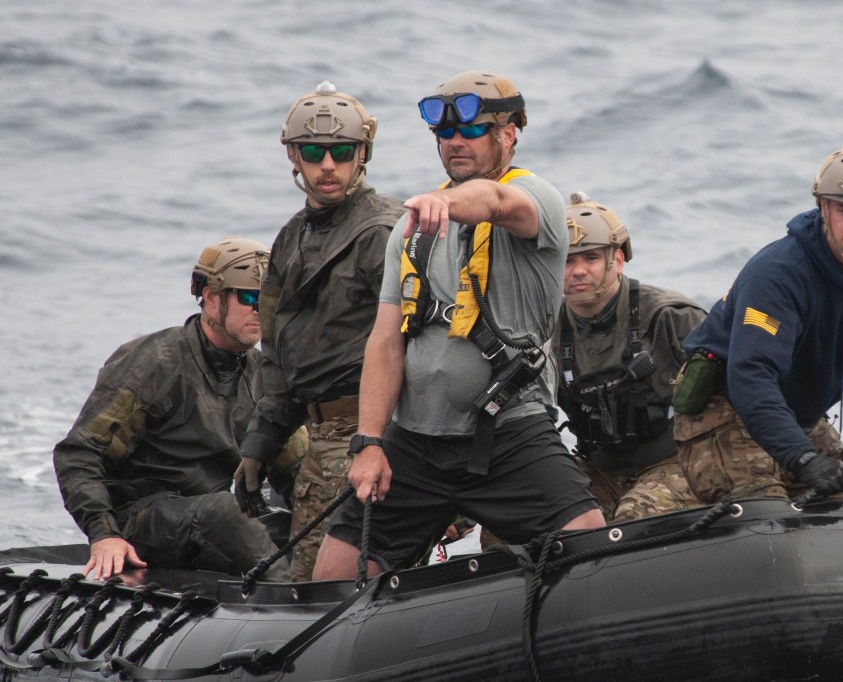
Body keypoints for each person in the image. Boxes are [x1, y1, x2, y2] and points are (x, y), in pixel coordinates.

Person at [313, 70, 605, 580]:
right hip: (415, 443)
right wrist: (369, 443)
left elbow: (494, 203)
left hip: (509, 434)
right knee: (333, 576)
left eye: (470, 131)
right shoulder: (411, 228)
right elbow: (385, 342)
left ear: (508, 134)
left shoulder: (538, 200)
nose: (454, 141)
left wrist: (443, 201)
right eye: (444, 134)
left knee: (587, 544)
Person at [673, 134, 843, 503]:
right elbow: (751, 374)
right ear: (823, 207)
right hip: (726, 405)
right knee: (763, 514)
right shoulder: (776, 275)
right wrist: (802, 458)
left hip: (797, 413)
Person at [234, 82, 406, 577]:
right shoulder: (291, 238)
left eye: (341, 152)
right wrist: (259, 446)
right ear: (294, 157)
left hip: (376, 441)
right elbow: (279, 354)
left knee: (358, 588)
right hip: (320, 446)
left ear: (362, 155)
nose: (327, 165)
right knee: (307, 590)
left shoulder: (385, 233)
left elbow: (420, 349)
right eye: (313, 152)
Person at [54, 237, 293, 582]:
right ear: (211, 298)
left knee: (294, 524)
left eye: (270, 300)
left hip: (210, 516)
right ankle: (294, 601)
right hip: (142, 519)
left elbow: (297, 464)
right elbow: (78, 455)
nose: (262, 311)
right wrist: (104, 533)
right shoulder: (154, 363)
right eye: (250, 297)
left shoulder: (263, 375)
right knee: (222, 511)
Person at [556, 193, 708, 522]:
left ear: (618, 261)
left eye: (591, 258)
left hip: (679, 461)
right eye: (567, 261)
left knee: (634, 518)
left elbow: (733, 393)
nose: (579, 271)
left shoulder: (671, 317)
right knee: (518, 520)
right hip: (600, 470)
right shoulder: (544, 331)